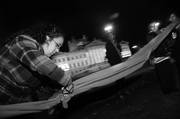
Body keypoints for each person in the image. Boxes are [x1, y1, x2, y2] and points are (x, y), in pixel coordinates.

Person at [0, 23, 73, 104]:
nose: (57, 50)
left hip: (13, 102)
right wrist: (68, 81)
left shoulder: (38, 54)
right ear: (47, 38)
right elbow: (44, 66)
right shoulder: (22, 41)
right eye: (57, 45)